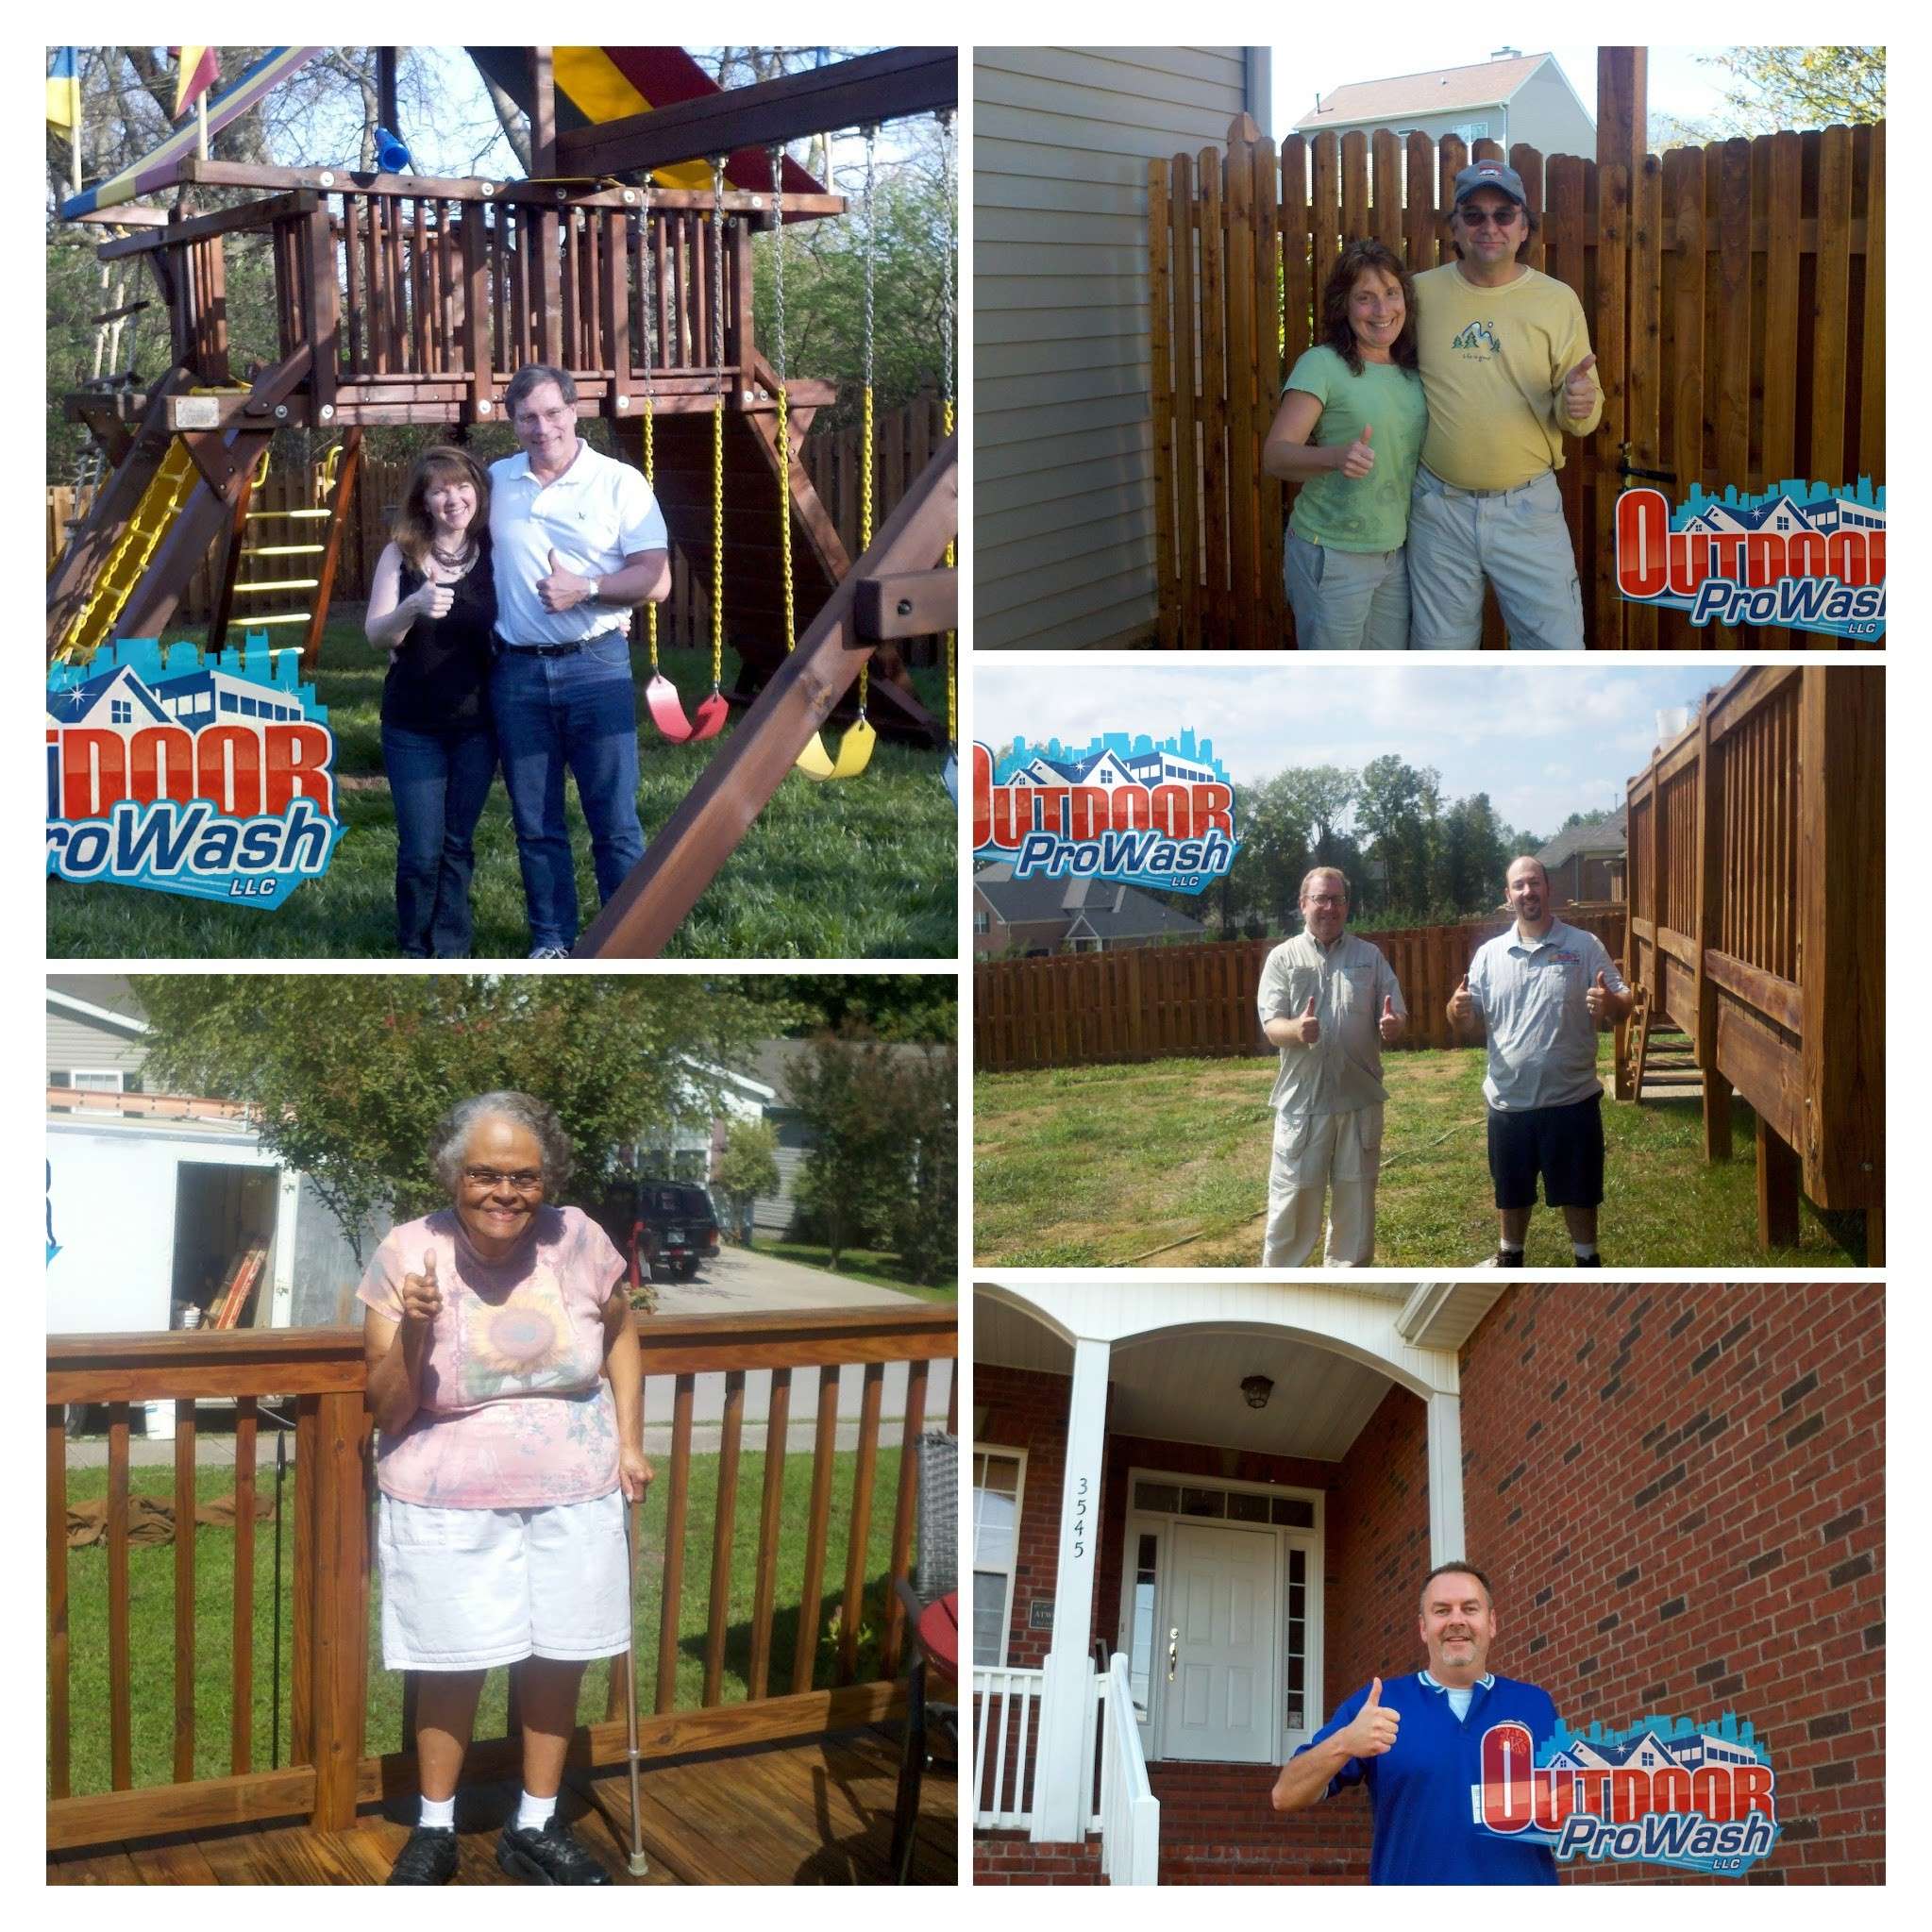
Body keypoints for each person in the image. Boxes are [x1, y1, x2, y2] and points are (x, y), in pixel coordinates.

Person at [361, 1091, 651, 1885]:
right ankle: (434, 1828)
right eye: (485, 1173)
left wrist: (628, 1438)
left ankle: (533, 1822)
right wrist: (416, 1324)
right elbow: (387, 1406)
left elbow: (621, 1333)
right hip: (445, 1495)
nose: (505, 1192)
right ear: (454, 1174)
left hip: (576, 1489)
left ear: (545, 1177)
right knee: (452, 1663)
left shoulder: (579, 1238)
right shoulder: (407, 1251)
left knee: (560, 1655)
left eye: (523, 1176)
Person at [489, 365, 674, 958]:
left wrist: (587, 590)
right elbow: (436, 527)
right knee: (536, 824)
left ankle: (627, 943)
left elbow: (656, 580)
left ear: (574, 410)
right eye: (527, 418)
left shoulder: (619, 482)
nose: (541, 429)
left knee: (613, 820)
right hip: (516, 671)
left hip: (595, 666)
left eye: (551, 413)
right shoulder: (495, 482)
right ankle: (552, 940)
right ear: (512, 422)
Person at [1407, 160, 1603, 648]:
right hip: (1438, 509)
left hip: (1527, 508)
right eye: (1473, 215)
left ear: (1524, 228)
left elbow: (1582, 411)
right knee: (1439, 658)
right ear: (1454, 227)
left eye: (1503, 214)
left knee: (1555, 652)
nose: (1488, 227)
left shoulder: (1557, 301)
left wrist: (1580, 405)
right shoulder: (1417, 294)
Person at [1270, 1563, 1558, 1885]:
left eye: (1470, 1608)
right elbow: (1285, 1795)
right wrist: (1344, 1743)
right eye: (1441, 1610)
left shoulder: (1536, 1705)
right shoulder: (1379, 1703)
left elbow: (1570, 1812)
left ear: (1491, 1622)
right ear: (1423, 1628)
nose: (1457, 1620)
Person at [1448, 856, 1633, 1266]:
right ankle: (1509, 1257)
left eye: (1534, 883)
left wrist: (1610, 1003)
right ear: (1507, 896)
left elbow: (1625, 1005)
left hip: (1572, 1101)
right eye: (1519, 885)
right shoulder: (1489, 955)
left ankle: (1587, 1261)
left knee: (1580, 1193)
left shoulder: (1583, 946)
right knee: (1511, 1193)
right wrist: (1456, 1011)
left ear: (1549, 889)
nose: (1528, 892)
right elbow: (1465, 1019)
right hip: (1509, 1103)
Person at [365, 447, 499, 958]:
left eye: (462, 485)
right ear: (423, 499)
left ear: (477, 492)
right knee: (422, 850)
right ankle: (413, 946)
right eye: (440, 489)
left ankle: (451, 947)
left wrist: (606, 617)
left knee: (457, 845)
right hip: (412, 726)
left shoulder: (494, 550)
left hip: (478, 725)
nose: (454, 498)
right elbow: (377, 636)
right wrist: (413, 606)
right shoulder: (400, 554)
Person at [1263, 239, 1429, 648]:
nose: (1382, 310)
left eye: (1391, 294)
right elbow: (1276, 456)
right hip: (1332, 552)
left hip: (1394, 552)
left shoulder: (1411, 369)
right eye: (1365, 298)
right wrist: (1336, 457)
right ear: (1344, 305)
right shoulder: (1322, 365)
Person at [1256, 866, 1407, 1266]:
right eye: (1321, 899)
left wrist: (1393, 1025)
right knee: (1293, 1202)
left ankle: (1347, 1272)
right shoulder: (1283, 958)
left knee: (1355, 1206)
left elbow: (1396, 1014)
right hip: (1302, 1104)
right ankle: (1281, 1282)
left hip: (1359, 1102)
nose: (1329, 907)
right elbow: (1272, 1026)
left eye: (1337, 899)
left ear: (1347, 905)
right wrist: (1297, 1030)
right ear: (1303, 904)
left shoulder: (1369, 957)